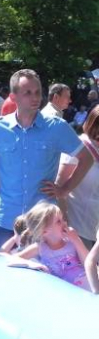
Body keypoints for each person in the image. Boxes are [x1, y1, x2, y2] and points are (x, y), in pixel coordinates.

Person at [0, 69, 92, 252]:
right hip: (6, 218)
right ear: (13, 96)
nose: (35, 98)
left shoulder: (56, 127)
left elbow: (86, 158)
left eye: (38, 92)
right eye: (28, 93)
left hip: (43, 222)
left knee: (42, 276)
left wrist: (64, 189)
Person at [13, 201, 90, 290]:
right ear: (44, 231)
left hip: (84, 288)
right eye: (58, 221)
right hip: (63, 292)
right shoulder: (40, 248)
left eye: (63, 219)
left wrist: (76, 240)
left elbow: (88, 263)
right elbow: (13, 259)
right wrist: (31, 264)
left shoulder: (71, 241)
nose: (64, 223)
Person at [56, 106, 99, 248]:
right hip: (77, 229)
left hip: (94, 227)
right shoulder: (79, 147)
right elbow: (58, 187)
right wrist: (63, 222)